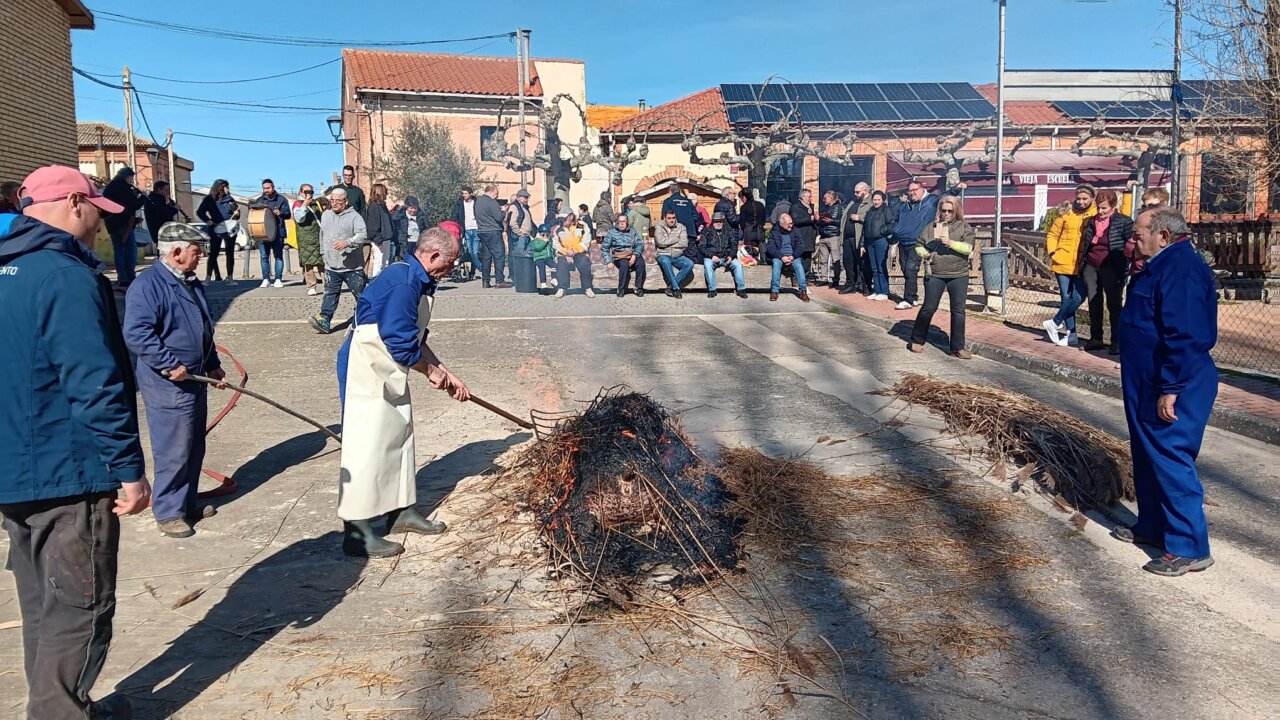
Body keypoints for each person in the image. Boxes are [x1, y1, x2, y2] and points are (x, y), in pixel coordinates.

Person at [0, 165, 151, 720]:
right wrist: (129, 469)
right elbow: (94, 381)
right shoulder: (65, 277)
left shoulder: (5, 268)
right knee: (80, 606)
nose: (99, 227)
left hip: (14, 470)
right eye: (96, 213)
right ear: (73, 203)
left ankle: (59, 706)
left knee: (41, 602)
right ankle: (59, 713)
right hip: (68, 471)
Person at [335, 227, 469, 557]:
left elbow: (415, 337)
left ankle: (400, 512)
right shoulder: (404, 281)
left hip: (388, 367)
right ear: (433, 255)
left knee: (398, 435)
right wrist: (430, 372)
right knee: (367, 446)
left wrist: (445, 371)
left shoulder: (422, 279)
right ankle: (357, 532)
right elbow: (398, 339)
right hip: (366, 367)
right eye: (450, 262)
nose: (451, 268)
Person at [1111, 206, 1217, 576]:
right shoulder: (1156, 265)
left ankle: (1189, 546)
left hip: (1176, 382)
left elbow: (1186, 335)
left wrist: (1171, 387)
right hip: (1146, 379)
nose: (1132, 239)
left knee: (1171, 457)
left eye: (1139, 234)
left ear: (1164, 236)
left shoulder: (1181, 270)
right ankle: (1155, 527)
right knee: (1147, 454)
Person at [123, 223, 225, 537]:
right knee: (174, 448)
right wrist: (170, 364)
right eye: (197, 251)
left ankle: (187, 501)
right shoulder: (148, 285)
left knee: (194, 445)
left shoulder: (189, 282)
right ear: (177, 252)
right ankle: (168, 511)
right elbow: (137, 333)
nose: (202, 256)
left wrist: (212, 364)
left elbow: (202, 328)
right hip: (168, 383)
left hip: (194, 377)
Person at [907, 196, 975, 359]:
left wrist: (950, 243)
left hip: (958, 274)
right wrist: (925, 254)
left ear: (956, 211)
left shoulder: (964, 227)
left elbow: (968, 248)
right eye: (943, 210)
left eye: (950, 211)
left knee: (958, 311)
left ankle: (958, 347)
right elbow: (918, 245)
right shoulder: (932, 227)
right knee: (928, 307)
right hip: (935, 273)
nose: (946, 214)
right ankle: (917, 339)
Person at [891, 180, 962, 310]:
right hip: (903, 241)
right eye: (910, 190)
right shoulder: (904, 206)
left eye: (915, 190)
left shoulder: (930, 201)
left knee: (911, 269)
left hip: (918, 242)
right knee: (905, 269)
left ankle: (908, 299)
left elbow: (944, 197)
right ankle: (913, 297)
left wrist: (956, 189)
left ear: (922, 189)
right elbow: (897, 220)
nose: (912, 193)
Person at [1077, 189, 1133, 354]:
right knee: (1094, 302)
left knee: (1114, 305)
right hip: (1092, 266)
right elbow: (1086, 243)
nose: (1100, 212)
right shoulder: (1090, 221)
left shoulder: (1124, 222)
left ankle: (1116, 341)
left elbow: (1130, 245)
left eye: (1104, 208)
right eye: (1098, 208)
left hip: (1112, 267)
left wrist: (1125, 265)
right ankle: (1096, 338)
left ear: (1113, 206)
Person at [1042, 185, 1097, 346]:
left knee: (1078, 297)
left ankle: (1054, 322)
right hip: (1063, 260)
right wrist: (1053, 252)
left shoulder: (1095, 214)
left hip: (1083, 263)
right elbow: (1053, 234)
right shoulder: (1066, 212)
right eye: (1078, 198)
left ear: (1092, 198)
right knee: (1066, 297)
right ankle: (1071, 334)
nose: (1080, 202)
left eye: (1084, 199)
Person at [309, 187, 368, 334]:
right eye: (332, 201)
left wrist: (348, 242)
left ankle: (368, 318)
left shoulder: (355, 217)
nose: (334, 204)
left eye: (338, 201)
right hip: (331, 265)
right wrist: (323, 253)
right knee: (330, 293)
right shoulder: (326, 215)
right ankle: (324, 319)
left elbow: (362, 235)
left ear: (346, 201)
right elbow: (322, 236)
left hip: (352, 267)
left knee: (361, 295)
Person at [102, 166, 146, 289]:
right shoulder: (125, 188)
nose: (132, 181)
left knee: (118, 251)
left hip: (111, 223)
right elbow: (134, 204)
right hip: (124, 224)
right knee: (130, 250)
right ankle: (130, 276)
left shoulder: (110, 187)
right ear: (127, 177)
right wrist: (142, 198)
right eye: (131, 178)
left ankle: (122, 277)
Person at [196, 179, 238, 282]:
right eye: (226, 187)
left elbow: (236, 213)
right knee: (214, 253)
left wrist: (237, 214)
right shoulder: (209, 199)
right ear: (220, 188)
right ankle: (208, 277)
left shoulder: (230, 199)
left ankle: (230, 277)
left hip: (229, 229)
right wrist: (207, 220)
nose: (228, 189)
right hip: (215, 228)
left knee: (230, 253)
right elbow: (200, 212)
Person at [699, 211, 746, 299]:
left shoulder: (729, 231)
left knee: (738, 265)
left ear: (723, 221)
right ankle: (712, 290)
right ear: (713, 221)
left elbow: (733, 245)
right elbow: (702, 247)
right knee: (708, 265)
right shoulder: (706, 231)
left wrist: (730, 256)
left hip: (726, 256)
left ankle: (741, 289)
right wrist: (711, 256)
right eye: (716, 221)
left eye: (720, 221)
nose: (718, 223)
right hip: (712, 256)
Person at [253, 178, 290, 288]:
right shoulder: (259, 201)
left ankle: (278, 279)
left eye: (268, 188)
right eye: (264, 188)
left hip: (278, 232)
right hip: (262, 233)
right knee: (264, 257)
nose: (266, 190)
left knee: (278, 256)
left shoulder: (281, 199)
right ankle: (266, 279)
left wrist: (280, 213)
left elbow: (288, 214)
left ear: (273, 187)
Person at [765, 213, 810, 302]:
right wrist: (782, 257)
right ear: (782, 224)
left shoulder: (795, 230)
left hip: (793, 255)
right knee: (776, 264)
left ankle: (803, 291)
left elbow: (800, 246)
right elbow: (771, 248)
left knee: (798, 265)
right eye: (788, 224)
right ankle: (774, 291)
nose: (791, 225)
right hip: (779, 256)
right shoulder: (774, 232)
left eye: (792, 223)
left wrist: (793, 256)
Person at [292, 184, 327, 296]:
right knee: (308, 264)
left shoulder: (316, 203)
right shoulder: (297, 204)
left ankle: (328, 285)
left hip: (318, 237)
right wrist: (304, 206)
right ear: (301, 192)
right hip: (305, 239)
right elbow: (299, 219)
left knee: (323, 263)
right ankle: (312, 286)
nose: (309, 194)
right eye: (306, 191)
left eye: (311, 192)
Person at [862, 190, 897, 300]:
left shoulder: (887, 210)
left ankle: (884, 291)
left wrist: (882, 231)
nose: (876, 202)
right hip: (870, 241)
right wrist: (862, 243)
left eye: (878, 200)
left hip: (881, 240)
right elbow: (865, 227)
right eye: (874, 200)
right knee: (874, 267)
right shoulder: (870, 211)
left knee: (881, 267)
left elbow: (892, 224)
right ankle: (877, 290)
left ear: (883, 200)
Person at [839, 182, 873, 294]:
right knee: (848, 261)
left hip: (859, 237)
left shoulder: (871, 202)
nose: (855, 194)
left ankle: (865, 285)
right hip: (848, 237)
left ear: (865, 191)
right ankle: (850, 283)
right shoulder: (853, 201)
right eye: (854, 191)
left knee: (862, 263)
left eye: (857, 192)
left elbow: (873, 217)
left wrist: (860, 217)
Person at [602, 213, 646, 297]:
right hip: (619, 255)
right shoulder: (611, 232)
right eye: (620, 222)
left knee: (641, 263)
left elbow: (639, 244)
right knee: (624, 264)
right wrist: (608, 261)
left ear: (627, 222)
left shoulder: (632, 231)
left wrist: (634, 255)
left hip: (632, 254)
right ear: (617, 222)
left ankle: (638, 287)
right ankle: (621, 288)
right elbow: (604, 248)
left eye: (624, 221)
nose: (622, 224)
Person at [474, 184, 509, 288]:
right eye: (496, 193)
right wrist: (503, 211)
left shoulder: (478, 202)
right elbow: (498, 217)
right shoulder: (492, 202)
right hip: (493, 231)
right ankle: (499, 281)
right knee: (499, 255)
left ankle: (485, 281)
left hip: (482, 231)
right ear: (491, 191)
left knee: (486, 257)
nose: (497, 195)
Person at [553, 212, 594, 299]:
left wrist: (576, 250)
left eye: (564, 219)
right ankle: (562, 288)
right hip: (565, 253)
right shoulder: (558, 228)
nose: (562, 221)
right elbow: (556, 244)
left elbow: (586, 240)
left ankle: (587, 287)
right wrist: (566, 253)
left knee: (585, 263)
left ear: (571, 217)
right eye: (561, 219)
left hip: (580, 253)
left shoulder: (582, 225)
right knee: (561, 263)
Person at [654, 209, 693, 298]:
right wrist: (676, 239)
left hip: (677, 255)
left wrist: (668, 245)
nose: (672, 220)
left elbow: (684, 243)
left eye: (673, 218)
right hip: (663, 254)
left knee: (689, 263)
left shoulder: (681, 227)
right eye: (669, 218)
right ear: (665, 218)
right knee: (665, 261)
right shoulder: (659, 226)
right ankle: (676, 288)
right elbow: (660, 242)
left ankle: (671, 287)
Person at [364, 183, 395, 279]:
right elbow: (373, 225)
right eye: (385, 192)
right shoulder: (374, 206)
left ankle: (383, 281)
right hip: (379, 240)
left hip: (386, 238)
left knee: (385, 262)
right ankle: (376, 281)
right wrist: (378, 239)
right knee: (379, 261)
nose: (386, 194)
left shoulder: (383, 206)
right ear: (379, 193)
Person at [451, 186, 481, 280]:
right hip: (466, 229)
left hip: (476, 229)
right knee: (469, 251)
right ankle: (481, 268)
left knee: (475, 252)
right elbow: (455, 214)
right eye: (463, 193)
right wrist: (451, 223)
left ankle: (480, 268)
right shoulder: (460, 203)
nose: (464, 195)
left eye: (465, 193)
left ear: (470, 194)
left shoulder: (476, 202)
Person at [815, 189, 844, 287]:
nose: (823, 200)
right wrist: (818, 219)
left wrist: (831, 221)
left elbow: (842, 221)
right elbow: (819, 222)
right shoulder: (824, 208)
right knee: (823, 259)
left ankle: (836, 279)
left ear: (831, 198)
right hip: (823, 235)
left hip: (834, 236)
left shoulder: (840, 207)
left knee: (836, 259)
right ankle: (824, 278)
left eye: (825, 198)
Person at [790, 189, 818, 278]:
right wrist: (810, 218)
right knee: (798, 257)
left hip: (810, 236)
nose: (810, 199)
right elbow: (796, 220)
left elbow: (814, 221)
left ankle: (806, 278)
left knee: (807, 259)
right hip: (800, 236)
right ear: (802, 197)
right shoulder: (795, 207)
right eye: (809, 197)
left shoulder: (811, 207)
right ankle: (796, 277)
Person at [143, 180, 182, 244]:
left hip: (162, 232)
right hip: (161, 232)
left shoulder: (157, 199)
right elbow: (165, 214)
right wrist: (174, 209)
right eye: (166, 190)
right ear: (159, 189)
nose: (167, 192)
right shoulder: (155, 200)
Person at [505, 187, 535, 266]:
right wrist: (520, 233)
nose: (527, 199)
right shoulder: (514, 207)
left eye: (527, 197)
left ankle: (523, 275)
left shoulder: (524, 207)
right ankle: (516, 275)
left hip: (526, 236)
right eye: (525, 197)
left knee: (525, 258)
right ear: (518, 197)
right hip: (520, 237)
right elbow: (512, 223)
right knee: (519, 257)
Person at [739, 188, 766, 258]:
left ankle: (752, 260)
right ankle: (764, 259)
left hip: (749, 231)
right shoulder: (760, 205)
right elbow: (764, 219)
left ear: (744, 197)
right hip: (759, 230)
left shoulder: (744, 207)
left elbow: (742, 222)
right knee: (762, 245)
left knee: (749, 250)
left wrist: (744, 229)